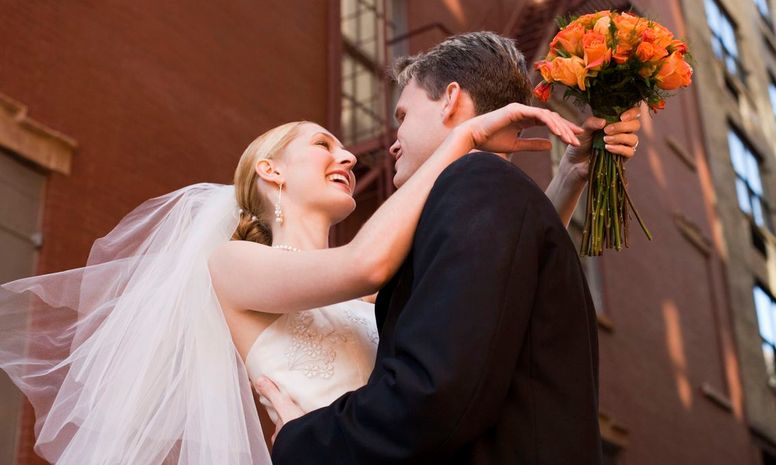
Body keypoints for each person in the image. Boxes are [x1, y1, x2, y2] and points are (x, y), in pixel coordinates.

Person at [0, 98, 583, 463]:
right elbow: (364, 261)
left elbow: (490, 282)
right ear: (270, 170)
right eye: (323, 145)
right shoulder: (234, 265)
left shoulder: (374, 296)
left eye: (343, 149)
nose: (348, 157)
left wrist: (568, 181)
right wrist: (462, 142)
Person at [261, 31, 643, 465]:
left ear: (450, 100)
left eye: (402, 114)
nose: (394, 138)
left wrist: (301, 441)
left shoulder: (474, 183)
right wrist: (568, 178)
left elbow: (433, 391)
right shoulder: (496, 197)